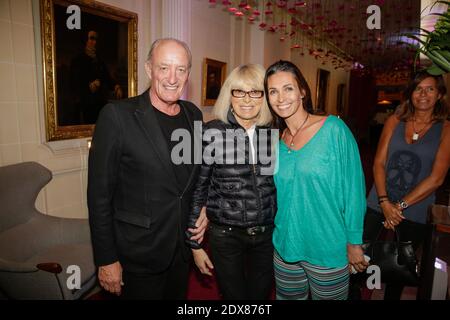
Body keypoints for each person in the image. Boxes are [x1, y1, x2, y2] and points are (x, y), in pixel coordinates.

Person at [88, 38, 207, 299]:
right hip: (138, 253)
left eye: (181, 69)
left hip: (180, 249)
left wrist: (204, 208)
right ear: (148, 69)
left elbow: (195, 177)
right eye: (164, 68)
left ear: (188, 73)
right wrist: (106, 259)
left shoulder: (194, 115)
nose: (173, 78)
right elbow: (99, 196)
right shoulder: (117, 116)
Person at [264, 60, 368, 300]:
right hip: (285, 248)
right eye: (273, 91)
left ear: (302, 91)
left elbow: (354, 190)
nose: (281, 98)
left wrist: (354, 243)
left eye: (288, 88)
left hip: (327, 249)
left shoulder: (333, 130)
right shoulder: (274, 141)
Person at [186, 64, 277, 300]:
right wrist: (195, 245)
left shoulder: (272, 130)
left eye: (255, 92)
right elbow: (199, 189)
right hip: (226, 234)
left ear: (264, 96)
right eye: (239, 91)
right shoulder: (211, 132)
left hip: (267, 233)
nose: (247, 99)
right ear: (230, 95)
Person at [363, 70, 450, 300]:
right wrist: (384, 202)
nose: (423, 94)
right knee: (360, 255)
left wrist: (398, 206)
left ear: (440, 94)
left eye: (430, 89)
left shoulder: (447, 129)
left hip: (416, 209)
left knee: (399, 268)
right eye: (418, 88)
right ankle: (356, 293)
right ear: (410, 93)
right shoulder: (394, 121)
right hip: (377, 201)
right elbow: (379, 162)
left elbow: (437, 178)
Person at [70, 30, 123, 124]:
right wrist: (89, 86)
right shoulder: (78, 60)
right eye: (91, 38)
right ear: (85, 40)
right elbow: (74, 83)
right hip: (85, 103)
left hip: (100, 103)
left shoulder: (99, 60)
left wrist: (116, 86)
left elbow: (107, 78)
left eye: (95, 39)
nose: (94, 42)